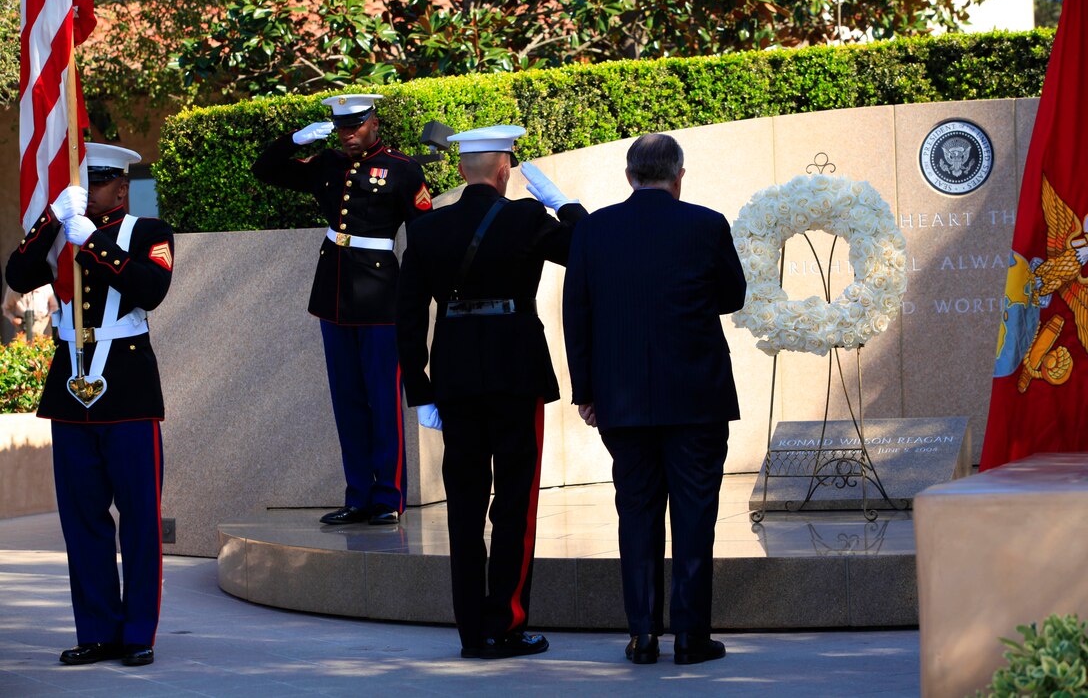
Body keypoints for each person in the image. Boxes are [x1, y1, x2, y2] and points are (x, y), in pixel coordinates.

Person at [396, 125, 587, 659]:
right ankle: (505, 622)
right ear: (505, 170)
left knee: (463, 506)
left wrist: (421, 388)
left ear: (461, 171)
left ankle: (470, 631)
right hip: (515, 375)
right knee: (515, 506)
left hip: (454, 380)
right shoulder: (527, 218)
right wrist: (566, 205)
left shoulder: (428, 229)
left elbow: (407, 315)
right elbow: (585, 248)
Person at [561, 133, 747, 665]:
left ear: (630, 176)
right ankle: (690, 637)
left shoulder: (593, 230)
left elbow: (578, 313)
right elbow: (733, 296)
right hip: (695, 398)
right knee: (695, 515)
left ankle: (643, 634)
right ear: (678, 176)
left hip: (623, 400)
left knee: (636, 513)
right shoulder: (706, 224)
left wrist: (586, 391)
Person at [5, 143, 175, 667]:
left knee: (140, 519)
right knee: (83, 519)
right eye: (85, 183)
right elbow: (17, 275)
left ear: (122, 187)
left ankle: (137, 631)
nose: (90, 192)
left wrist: (96, 243)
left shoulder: (149, 233)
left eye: (99, 183)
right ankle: (99, 629)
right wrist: (50, 219)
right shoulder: (60, 234)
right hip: (71, 388)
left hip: (126, 388)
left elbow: (151, 289)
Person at [252, 94, 433, 526]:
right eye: (341, 128)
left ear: (374, 122)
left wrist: (410, 295)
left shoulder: (403, 169)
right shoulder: (327, 164)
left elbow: (423, 237)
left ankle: (388, 496)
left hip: (379, 298)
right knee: (347, 401)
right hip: (333, 295)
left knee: (383, 401)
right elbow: (265, 171)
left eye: (356, 126)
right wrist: (293, 140)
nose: (348, 135)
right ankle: (358, 494)